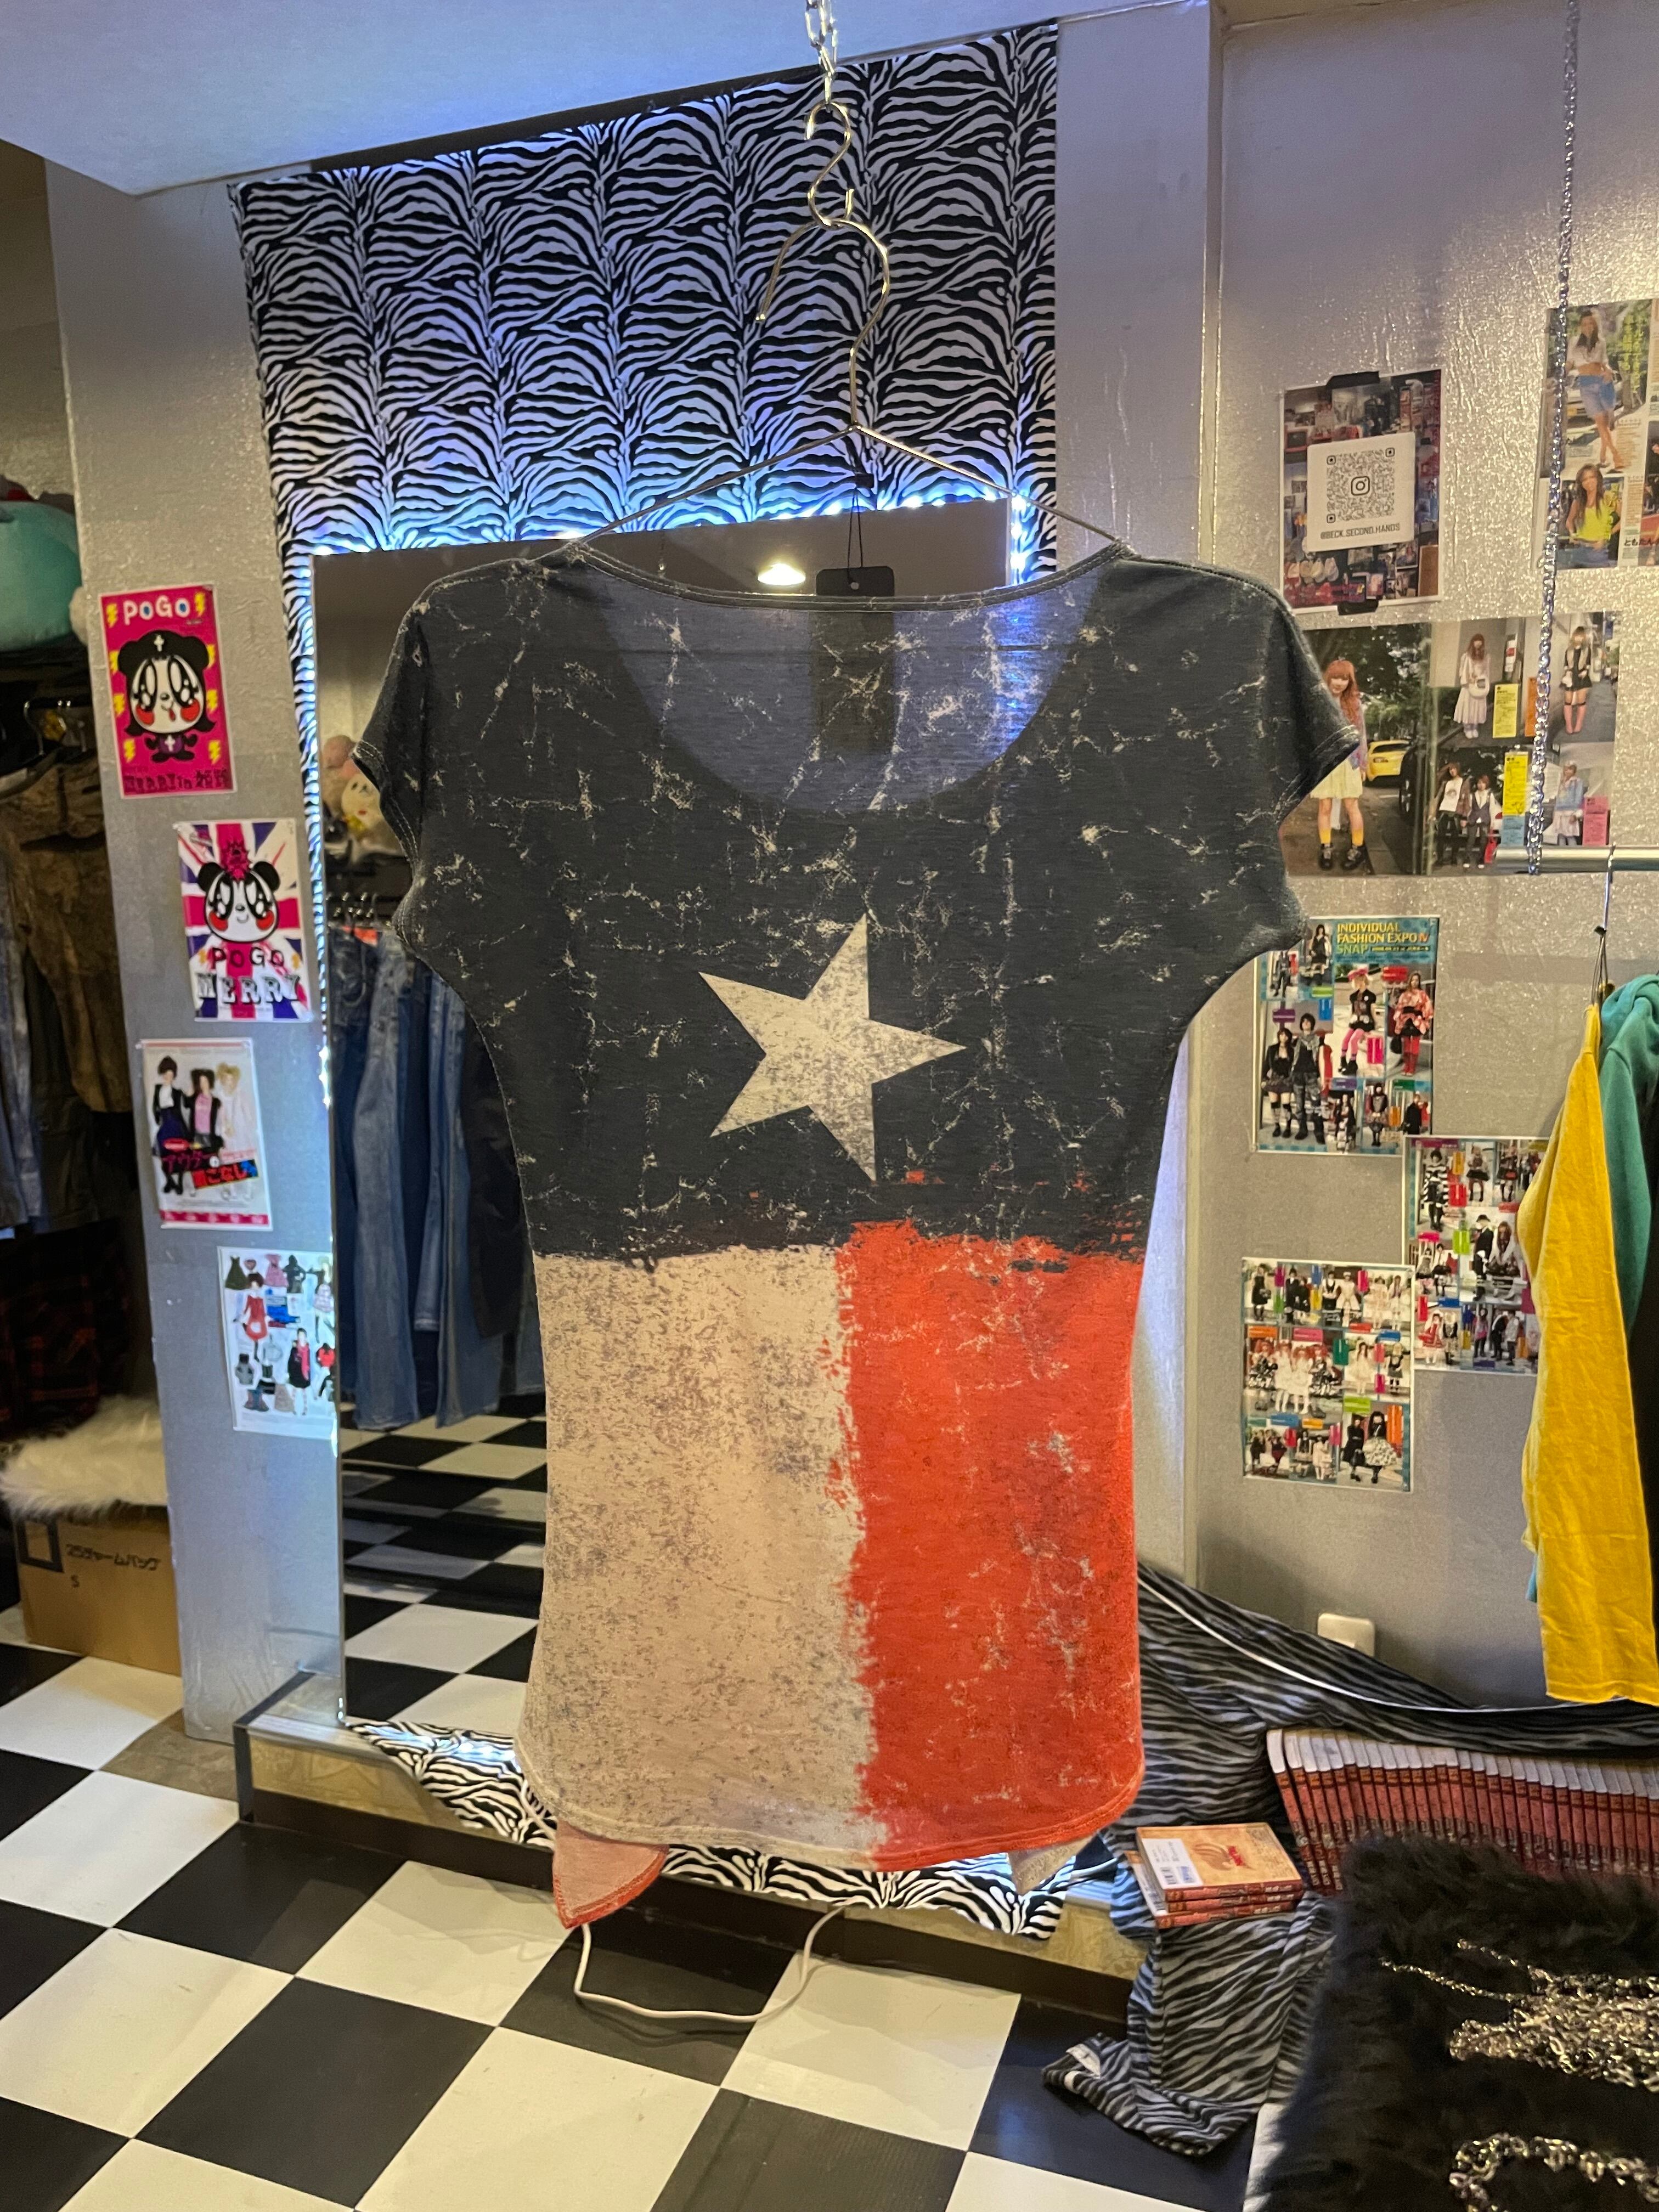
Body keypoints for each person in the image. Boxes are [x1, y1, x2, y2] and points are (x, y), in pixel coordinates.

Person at [1310, 658, 1372, 872]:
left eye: (1345, 679)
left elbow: (1361, 736)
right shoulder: (1319, 701)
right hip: (1326, 761)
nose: (1339, 683)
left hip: (1349, 762)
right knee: (1325, 806)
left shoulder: (1355, 703)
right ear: (1329, 678)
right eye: (1336, 677)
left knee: (1352, 807)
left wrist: (1363, 764)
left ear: (1350, 681)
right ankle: (1326, 847)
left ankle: (1357, 848)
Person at [1568, 308, 1621, 470]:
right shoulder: (1574, 342)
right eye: (1584, 324)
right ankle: (1616, 455)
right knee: (1600, 423)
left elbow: (1605, 363)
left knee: (1604, 424)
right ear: (1580, 326)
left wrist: (1609, 372)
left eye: (1590, 323)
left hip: (1603, 382)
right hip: (1586, 384)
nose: (1587, 327)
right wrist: (1561, 373)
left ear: (1595, 325)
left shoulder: (1601, 342)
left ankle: (1603, 455)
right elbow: (1570, 363)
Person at [1562, 462, 1620, 567]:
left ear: (1598, 479)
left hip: (1598, 552)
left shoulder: (1608, 498)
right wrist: (1572, 534)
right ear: (1581, 483)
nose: (1589, 482)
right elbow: (1569, 521)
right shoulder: (1578, 502)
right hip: (1579, 551)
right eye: (1585, 479)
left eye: (1592, 477)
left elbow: (1625, 519)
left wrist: (1607, 536)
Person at [1289, 1010, 1325, 1144]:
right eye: (1303, 1021)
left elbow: (1321, 1059)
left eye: (1308, 1021)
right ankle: (1302, 1129)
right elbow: (1291, 1058)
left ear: (1312, 1024)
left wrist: (1322, 1077)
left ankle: (1319, 1132)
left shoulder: (1318, 1040)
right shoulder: (1296, 1041)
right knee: (1299, 1105)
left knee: (1316, 1104)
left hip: (1312, 1075)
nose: (1305, 1023)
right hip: (1297, 1075)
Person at [1391, 970, 1433, 1073]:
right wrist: (1398, 1021)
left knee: (1415, 1044)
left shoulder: (1422, 994)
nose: (1415, 982)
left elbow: (1427, 1007)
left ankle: (1412, 1067)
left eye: (1417, 980)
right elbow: (1399, 1008)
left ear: (1419, 982)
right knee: (1406, 1044)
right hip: (1405, 1020)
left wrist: (1426, 1020)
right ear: (1410, 981)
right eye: (1413, 980)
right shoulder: (1404, 995)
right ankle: (1407, 1066)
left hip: (1417, 1020)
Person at [1453, 633, 1491, 739]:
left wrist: (1484, 681)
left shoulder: (1486, 656)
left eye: (1480, 641)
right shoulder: (1466, 656)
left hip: (1480, 684)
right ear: (1473, 642)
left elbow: (1487, 671)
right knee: (1468, 707)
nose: (1478, 643)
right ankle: (1467, 728)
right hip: (1469, 685)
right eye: (1476, 640)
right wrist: (1468, 679)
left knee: (1477, 707)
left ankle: (1475, 727)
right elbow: (1462, 670)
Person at [1435, 758, 1470, 867]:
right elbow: (1438, 777)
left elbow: (1467, 800)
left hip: (1456, 811)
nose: (1452, 771)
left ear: (1458, 770)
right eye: (1450, 769)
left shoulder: (1464, 782)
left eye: (1454, 769)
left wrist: (1465, 817)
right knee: (1441, 836)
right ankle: (1440, 859)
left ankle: (1454, 858)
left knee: (1455, 837)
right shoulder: (1446, 782)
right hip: (1444, 810)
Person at [1262, 1025, 1295, 1139]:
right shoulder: (1272, 1049)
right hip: (1274, 1080)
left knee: (1286, 1105)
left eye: (1286, 1035)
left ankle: (1288, 1128)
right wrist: (1263, 1079)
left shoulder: (1292, 1050)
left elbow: (1295, 1066)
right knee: (1274, 1104)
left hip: (1286, 1080)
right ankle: (1277, 1126)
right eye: (1282, 1035)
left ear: (1289, 1037)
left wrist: (1293, 1078)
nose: (1284, 1037)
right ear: (1279, 1036)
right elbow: (1266, 1064)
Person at [1561, 623, 1594, 735]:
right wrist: (1567, 672)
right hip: (1570, 677)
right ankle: (1569, 726)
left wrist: (1586, 671)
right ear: (1574, 636)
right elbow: (1566, 664)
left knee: (1581, 702)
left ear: (1583, 638)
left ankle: (1579, 725)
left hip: (1582, 677)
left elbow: (1588, 664)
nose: (1579, 638)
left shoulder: (1587, 650)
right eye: (1577, 636)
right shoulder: (1569, 650)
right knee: (1568, 702)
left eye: (1581, 636)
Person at [1465, 772, 1500, 867]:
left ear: (1486, 784)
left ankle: (1481, 859)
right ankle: (1467, 859)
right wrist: (1466, 819)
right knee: (1471, 839)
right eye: (1479, 783)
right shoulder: (1473, 795)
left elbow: (1492, 809)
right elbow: (1469, 808)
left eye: (1483, 783)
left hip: (1485, 820)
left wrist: (1492, 822)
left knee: (1483, 841)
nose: (1481, 785)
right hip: (1473, 819)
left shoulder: (1490, 795)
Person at [1550, 758, 1587, 845]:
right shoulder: (1561, 782)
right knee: (1561, 835)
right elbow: (1558, 796)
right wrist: (1555, 810)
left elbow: (1579, 797)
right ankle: (1561, 852)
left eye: (1570, 769)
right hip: (1560, 811)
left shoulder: (1577, 782)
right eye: (1566, 769)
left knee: (1570, 835)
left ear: (1574, 770)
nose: (1568, 771)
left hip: (1570, 811)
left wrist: (1576, 813)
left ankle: (1572, 852)